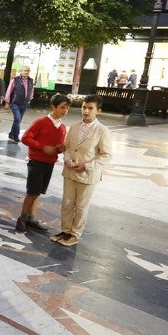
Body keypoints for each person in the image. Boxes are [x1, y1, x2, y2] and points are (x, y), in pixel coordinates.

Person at [52, 95, 112, 246]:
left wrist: (87, 165)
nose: (86, 111)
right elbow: (66, 146)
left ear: (98, 111)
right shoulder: (74, 127)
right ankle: (65, 231)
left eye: (90, 108)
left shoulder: (102, 131)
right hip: (70, 172)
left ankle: (74, 234)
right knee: (66, 204)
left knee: (81, 207)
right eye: (84, 107)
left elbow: (106, 155)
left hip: (87, 175)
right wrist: (67, 159)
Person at [16, 94, 69, 233]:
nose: (65, 110)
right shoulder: (41, 122)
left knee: (38, 192)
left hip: (49, 163)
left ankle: (31, 219)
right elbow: (26, 138)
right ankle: (21, 219)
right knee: (32, 192)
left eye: (67, 108)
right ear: (53, 107)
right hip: (36, 162)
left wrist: (59, 149)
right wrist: (42, 146)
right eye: (62, 107)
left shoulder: (63, 127)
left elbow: (56, 147)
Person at [4, 66, 34, 143]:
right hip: (15, 103)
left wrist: (30, 98)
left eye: (28, 71)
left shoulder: (30, 81)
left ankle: (11, 134)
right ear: (21, 71)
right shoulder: (15, 80)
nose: (26, 72)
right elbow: (9, 91)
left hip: (24, 104)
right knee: (17, 119)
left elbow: (31, 90)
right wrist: (7, 102)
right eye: (25, 71)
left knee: (18, 120)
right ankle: (16, 136)